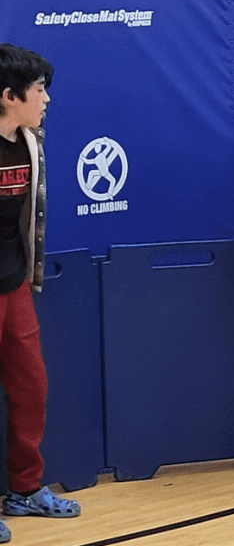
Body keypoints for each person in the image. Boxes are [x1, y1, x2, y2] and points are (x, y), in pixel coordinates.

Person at [0, 44, 81, 543]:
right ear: (8, 96)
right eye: (38, 90)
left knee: (32, 389)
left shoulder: (30, 142)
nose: (46, 98)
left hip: (13, 286)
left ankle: (25, 490)